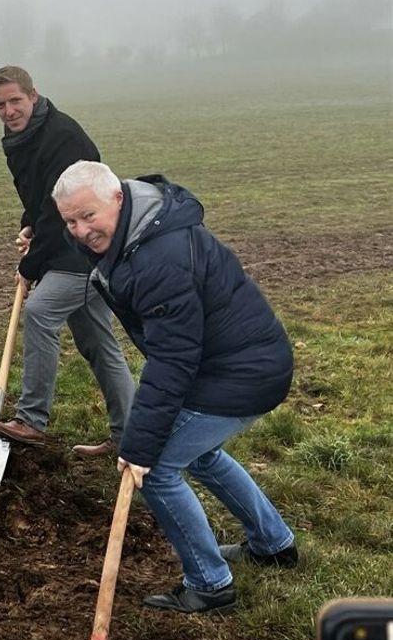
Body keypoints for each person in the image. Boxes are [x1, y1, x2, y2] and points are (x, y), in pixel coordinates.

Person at [53, 160, 298, 614]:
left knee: (157, 470)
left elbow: (172, 358)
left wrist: (140, 445)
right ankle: (273, 544)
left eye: (88, 216)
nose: (81, 230)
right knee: (199, 453)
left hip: (242, 372)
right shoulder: (139, 230)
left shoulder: (157, 257)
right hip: (226, 362)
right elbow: (177, 354)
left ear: (119, 198)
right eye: (70, 221)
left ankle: (209, 585)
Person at [0, 65, 135, 456]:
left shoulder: (62, 137)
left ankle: (31, 419)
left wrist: (30, 264)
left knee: (40, 311)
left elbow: (63, 213)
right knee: (98, 343)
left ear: (34, 96)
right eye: (0, 105)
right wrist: (29, 224)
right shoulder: (20, 140)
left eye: (16, 100)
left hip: (86, 249)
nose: (9, 110)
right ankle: (130, 435)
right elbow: (43, 199)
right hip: (65, 246)